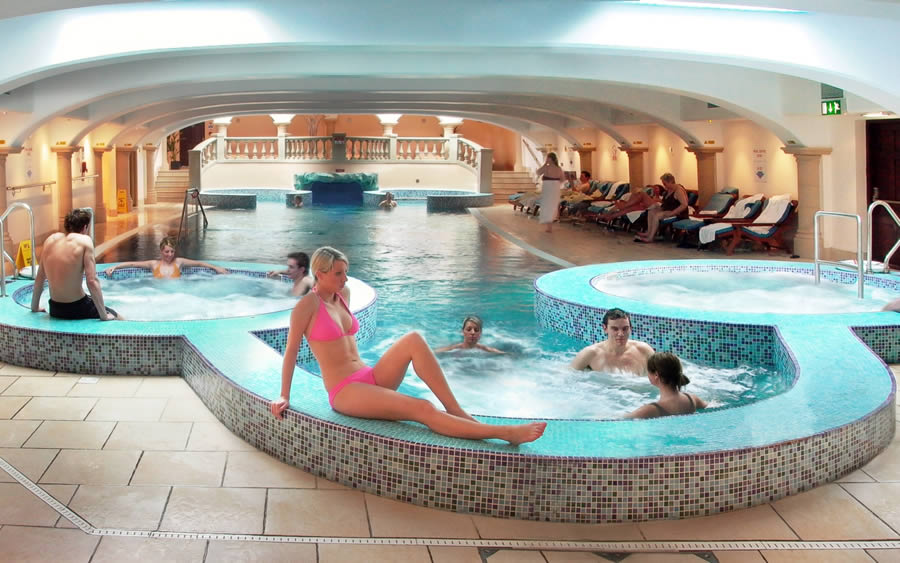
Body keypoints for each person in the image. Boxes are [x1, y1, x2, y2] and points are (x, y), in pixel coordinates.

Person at [270, 246, 546, 445]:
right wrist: (284, 395)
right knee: (423, 408)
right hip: (345, 391)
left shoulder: (344, 293)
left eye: (346, 272)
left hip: (369, 376)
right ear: (320, 274)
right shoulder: (307, 307)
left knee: (413, 338)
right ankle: (505, 434)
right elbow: (291, 351)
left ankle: (455, 409)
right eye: (339, 274)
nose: (345, 279)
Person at [31, 208, 119, 320]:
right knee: (116, 316)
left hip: (55, 308)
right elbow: (92, 281)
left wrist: (34, 307)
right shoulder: (85, 241)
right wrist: (104, 316)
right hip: (77, 307)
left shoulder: (50, 240)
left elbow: (40, 277)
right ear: (85, 227)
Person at [570, 308, 654, 376]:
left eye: (625, 328)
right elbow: (569, 378)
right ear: (605, 328)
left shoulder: (644, 351)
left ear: (631, 328)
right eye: (615, 329)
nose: (621, 334)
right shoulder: (590, 354)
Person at [625, 352, 707, 419]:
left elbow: (621, 419)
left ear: (656, 375)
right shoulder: (692, 399)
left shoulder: (650, 410)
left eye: (648, 371)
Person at [105, 236, 228, 278]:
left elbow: (199, 263)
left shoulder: (179, 262)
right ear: (161, 251)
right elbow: (133, 264)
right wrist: (115, 267)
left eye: (172, 251)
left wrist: (216, 268)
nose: (170, 255)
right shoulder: (153, 264)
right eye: (167, 252)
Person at [634, 173, 689, 243]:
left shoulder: (678, 191)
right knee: (651, 210)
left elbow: (684, 205)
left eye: (665, 183)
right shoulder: (669, 189)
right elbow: (666, 202)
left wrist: (673, 213)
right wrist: (658, 202)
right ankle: (648, 232)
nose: (664, 185)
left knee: (657, 215)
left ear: (670, 182)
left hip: (678, 213)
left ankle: (650, 237)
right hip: (668, 209)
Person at [434, 315, 505, 354]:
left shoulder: (485, 350)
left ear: (480, 333)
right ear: (462, 332)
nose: (473, 332)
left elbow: (504, 354)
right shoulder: (453, 349)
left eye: (476, 330)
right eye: (468, 329)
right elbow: (433, 353)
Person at [536, 152, 564, 233]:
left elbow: (538, 172)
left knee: (548, 206)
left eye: (547, 158)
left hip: (549, 188)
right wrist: (556, 183)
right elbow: (562, 179)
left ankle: (549, 226)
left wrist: (545, 164)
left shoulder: (547, 167)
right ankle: (549, 225)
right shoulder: (559, 168)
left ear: (550, 159)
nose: (546, 159)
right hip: (554, 188)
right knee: (551, 206)